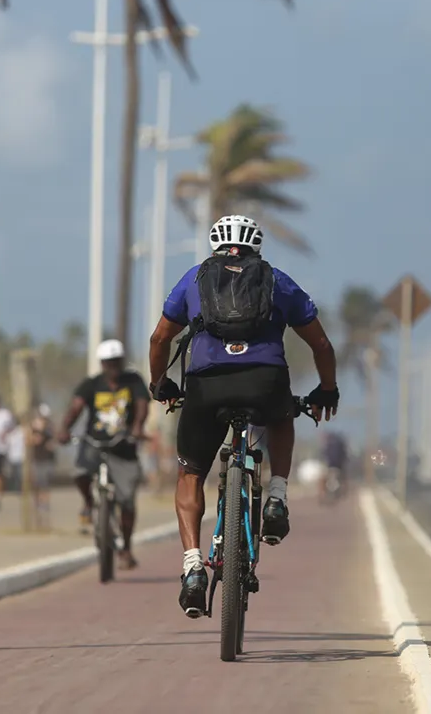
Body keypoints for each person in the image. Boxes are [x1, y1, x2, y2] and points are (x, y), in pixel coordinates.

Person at [147, 214, 339, 618]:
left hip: (206, 386)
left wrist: (160, 383)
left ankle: (193, 567)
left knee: (190, 474)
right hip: (265, 382)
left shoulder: (194, 279)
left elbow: (160, 337)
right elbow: (321, 344)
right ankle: (277, 497)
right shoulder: (278, 280)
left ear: (215, 244)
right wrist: (326, 389)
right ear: (257, 246)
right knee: (282, 415)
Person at [57, 339, 149, 570]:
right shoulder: (92, 384)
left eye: (116, 362)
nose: (112, 367)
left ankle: (126, 548)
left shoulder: (133, 381)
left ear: (122, 361)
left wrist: (137, 427)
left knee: (127, 501)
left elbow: (142, 405)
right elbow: (76, 407)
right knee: (80, 472)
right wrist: (64, 428)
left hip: (124, 446)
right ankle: (89, 503)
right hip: (94, 443)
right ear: (102, 364)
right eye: (108, 362)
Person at [28, 403, 56, 511]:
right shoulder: (33, 426)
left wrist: (52, 443)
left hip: (47, 459)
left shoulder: (50, 427)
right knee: (36, 482)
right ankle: (37, 501)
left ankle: (45, 503)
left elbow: (54, 440)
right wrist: (36, 435)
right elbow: (30, 440)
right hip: (36, 458)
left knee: (45, 483)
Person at [321, 430, 349, 501]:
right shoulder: (340, 445)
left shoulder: (328, 445)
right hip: (338, 466)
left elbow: (324, 455)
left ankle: (323, 493)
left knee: (323, 479)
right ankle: (344, 492)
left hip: (330, 466)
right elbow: (345, 456)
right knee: (343, 479)